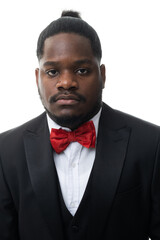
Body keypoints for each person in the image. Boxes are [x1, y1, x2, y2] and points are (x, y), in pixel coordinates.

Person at [0, 10, 160, 240]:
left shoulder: (151, 144)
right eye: (53, 71)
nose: (66, 82)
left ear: (102, 75)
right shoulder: (5, 152)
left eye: (82, 70)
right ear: (37, 77)